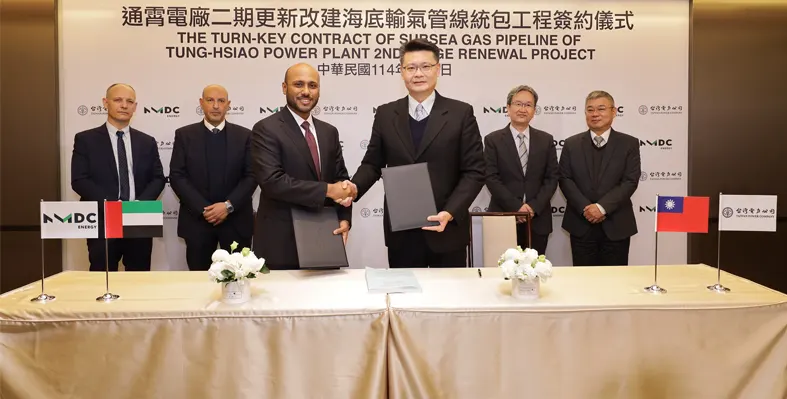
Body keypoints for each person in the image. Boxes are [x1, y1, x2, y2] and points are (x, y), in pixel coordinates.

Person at [344, 38, 485, 268]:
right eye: (410, 68)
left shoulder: (461, 113)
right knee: (404, 302)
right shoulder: (386, 114)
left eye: (425, 66)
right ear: (402, 72)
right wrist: (354, 187)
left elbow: (475, 171)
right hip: (402, 232)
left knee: (448, 300)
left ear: (438, 69)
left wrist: (449, 212)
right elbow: (372, 163)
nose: (418, 73)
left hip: (446, 229)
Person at [251, 63, 353, 269]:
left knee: (324, 299)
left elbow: (340, 178)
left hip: (325, 237)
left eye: (312, 85)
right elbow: (273, 182)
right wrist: (327, 190)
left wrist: (344, 219)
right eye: (298, 84)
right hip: (281, 241)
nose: (306, 91)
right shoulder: (265, 129)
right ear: (284, 88)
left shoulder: (329, 132)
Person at [71, 83, 165, 271]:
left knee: (139, 280)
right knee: (103, 278)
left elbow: (158, 178)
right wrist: (114, 206)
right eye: (118, 100)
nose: (124, 105)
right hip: (104, 218)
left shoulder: (147, 141)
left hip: (139, 218)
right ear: (105, 103)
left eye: (129, 101)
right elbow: (79, 180)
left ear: (135, 107)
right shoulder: (86, 140)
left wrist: (136, 206)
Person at [169, 84, 256, 271]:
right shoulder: (184, 135)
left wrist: (227, 206)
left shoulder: (245, 136)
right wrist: (205, 209)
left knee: (239, 281)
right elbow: (177, 176)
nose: (216, 106)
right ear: (201, 103)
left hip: (236, 222)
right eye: (210, 100)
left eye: (221, 101)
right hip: (198, 223)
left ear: (228, 105)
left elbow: (251, 176)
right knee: (199, 282)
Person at [558, 90, 641, 266]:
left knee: (615, 283)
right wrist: (586, 209)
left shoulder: (629, 144)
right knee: (584, 283)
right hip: (581, 224)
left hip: (617, 225)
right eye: (590, 109)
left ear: (614, 111)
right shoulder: (571, 144)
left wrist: (602, 208)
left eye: (601, 109)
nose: (595, 114)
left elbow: (630, 181)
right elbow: (565, 179)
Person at [484, 85, 558, 255]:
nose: (523, 109)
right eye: (518, 104)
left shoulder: (546, 140)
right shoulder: (492, 140)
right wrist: (516, 207)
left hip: (537, 218)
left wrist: (532, 207)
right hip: (503, 216)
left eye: (528, 105)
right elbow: (491, 177)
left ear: (534, 110)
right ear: (508, 108)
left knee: (534, 271)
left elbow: (552, 178)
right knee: (502, 273)